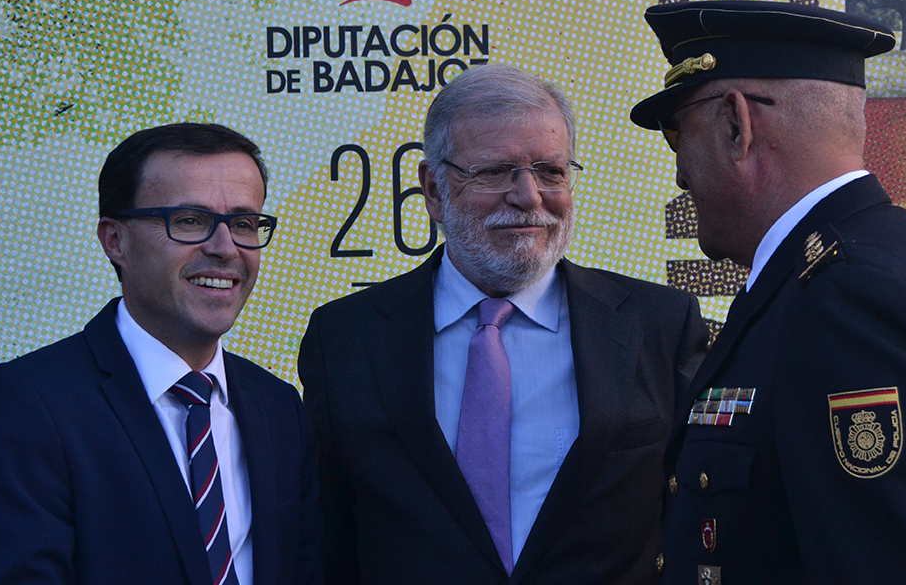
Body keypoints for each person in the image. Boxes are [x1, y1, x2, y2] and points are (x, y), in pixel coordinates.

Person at [629, 0, 906, 584]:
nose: (679, 173)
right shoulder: (875, 265)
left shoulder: (849, 299)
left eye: (679, 135)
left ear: (736, 125)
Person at [298, 63, 710, 584]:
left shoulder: (660, 326)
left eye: (550, 171)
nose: (529, 196)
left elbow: (699, 521)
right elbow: (326, 540)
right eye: (494, 172)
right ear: (432, 189)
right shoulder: (344, 339)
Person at [0, 123, 322, 585]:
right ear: (115, 241)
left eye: (245, 224)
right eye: (190, 220)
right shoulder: (27, 405)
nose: (225, 248)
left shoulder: (278, 407)